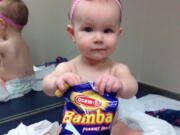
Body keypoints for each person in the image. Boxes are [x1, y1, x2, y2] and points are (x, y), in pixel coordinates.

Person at [43, 0, 141, 134]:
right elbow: (47, 86)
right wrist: (57, 82)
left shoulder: (117, 69)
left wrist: (120, 85)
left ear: (118, 34)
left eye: (107, 30)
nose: (98, 38)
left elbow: (132, 88)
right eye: (88, 29)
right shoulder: (69, 67)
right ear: (73, 34)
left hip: (110, 126)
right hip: (76, 126)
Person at [0, 0, 34, 99]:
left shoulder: (4, 45)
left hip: (15, 88)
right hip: (30, 83)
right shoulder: (22, 42)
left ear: (1, 24)